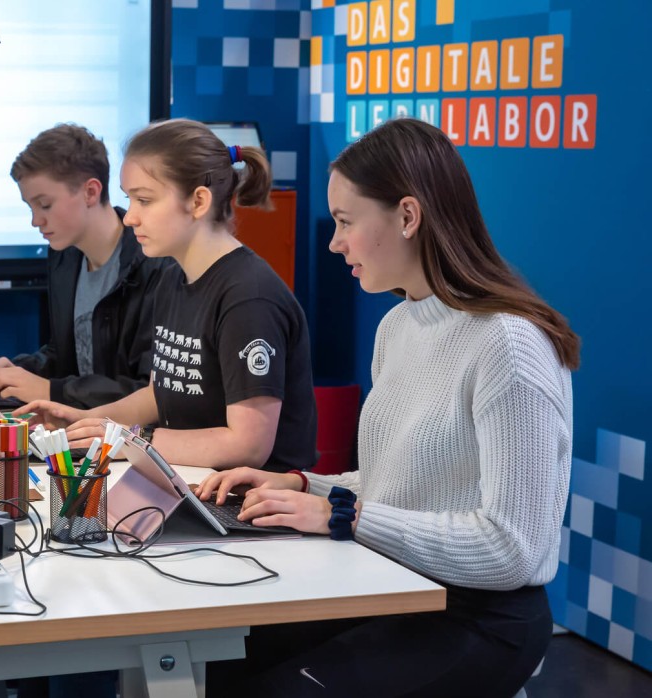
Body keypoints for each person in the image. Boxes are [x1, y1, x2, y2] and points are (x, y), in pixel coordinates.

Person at [197, 118, 577, 695]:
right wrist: (303, 485)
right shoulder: (399, 325)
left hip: (481, 617)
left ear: (407, 216)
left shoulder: (509, 344)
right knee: (219, 657)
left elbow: (512, 550)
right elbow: (396, 484)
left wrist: (344, 517)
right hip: (392, 582)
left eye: (347, 222)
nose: (334, 241)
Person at [18, 119, 317, 472]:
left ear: (199, 201)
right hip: (190, 485)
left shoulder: (247, 297)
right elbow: (160, 394)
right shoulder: (172, 278)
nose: (130, 218)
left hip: (255, 509)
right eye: (130, 200)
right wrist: (88, 422)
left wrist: (125, 439)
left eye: (144, 200)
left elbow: (247, 445)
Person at [0, 124, 167, 408]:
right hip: (76, 430)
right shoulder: (64, 257)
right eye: (31, 207)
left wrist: (51, 391)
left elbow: (148, 390)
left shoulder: (154, 264)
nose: (35, 220)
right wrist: (19, 371)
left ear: (90, 192)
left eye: (45, 205)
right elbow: (67, 354)